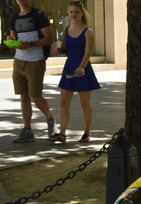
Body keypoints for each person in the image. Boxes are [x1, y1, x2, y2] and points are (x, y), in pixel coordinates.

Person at [47, 1, 100, 144]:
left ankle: (86, 133)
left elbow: (88, 51)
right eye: (71, 12)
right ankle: (62, 134)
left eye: (76, 11)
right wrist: (59, 50)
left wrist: (82, 67)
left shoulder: (88, 31)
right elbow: (65, 48)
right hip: (69, 68)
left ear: (82, 13)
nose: (74, 14)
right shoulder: (66, 30)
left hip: (83, 69)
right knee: (63, 103)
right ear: (68, 13)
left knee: (84, 104)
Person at [9, 0, 56, 143]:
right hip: (18, 61)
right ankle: (27, 129)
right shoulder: (14, 17)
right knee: (23, 97)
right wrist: (10, 40)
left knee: (35, 96)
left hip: (36, 60)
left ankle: (50, 120)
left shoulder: (38, 14)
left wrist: (31, 44)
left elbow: (49, 39)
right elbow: (13, 36)